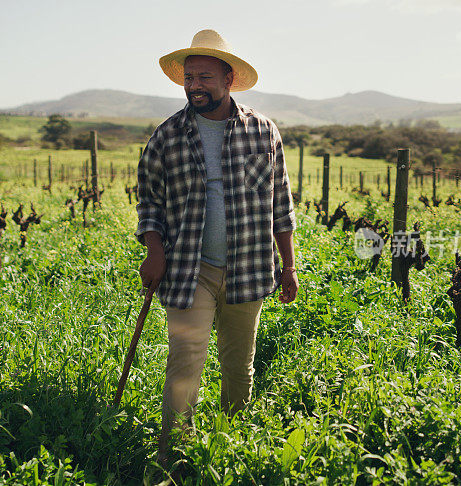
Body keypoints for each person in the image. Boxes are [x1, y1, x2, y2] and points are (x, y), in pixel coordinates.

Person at [135, 29, 298, 466]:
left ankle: (229, 447)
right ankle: (175, 455)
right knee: (185, 361)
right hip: (191, 268)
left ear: (228, 79)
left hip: (249, 265)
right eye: (189, 77)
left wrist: (289, 266)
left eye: (204, 76)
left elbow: (280, 201)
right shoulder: (168, 135)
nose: (194, 86)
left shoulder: (263, 131)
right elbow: (149, 198)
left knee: (238, 366)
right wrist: (154, 250)